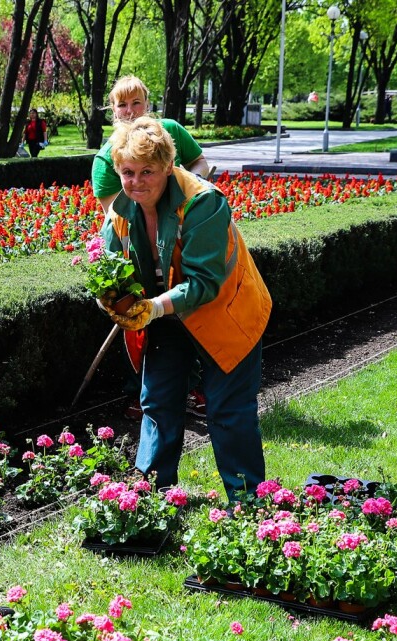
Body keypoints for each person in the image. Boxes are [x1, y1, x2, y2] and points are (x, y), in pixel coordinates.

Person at [97, 116, 271, 502]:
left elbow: (205, 283)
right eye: (127, 172)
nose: (137, 181)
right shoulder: (120, 213)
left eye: (148, 171)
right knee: (157, 402)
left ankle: (247, 507)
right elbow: (110, 269)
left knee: (228, 412)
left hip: (226, 312)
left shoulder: (203, 201)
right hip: (166, 317)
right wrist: (108, 297)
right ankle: (150, 499)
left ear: (168, 166)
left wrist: (153, 307)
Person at [91, 76, 211, 214]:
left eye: (136, 102)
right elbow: (117, 220)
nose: (130, 111)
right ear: (114, 109)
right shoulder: (104, 161)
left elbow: (198, 161)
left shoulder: (172, 130)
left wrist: (192, 185)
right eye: (122, 105)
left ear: (147, 104)